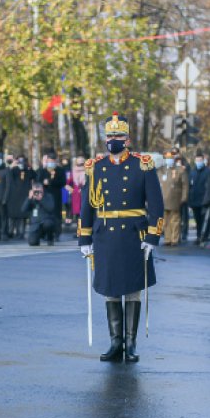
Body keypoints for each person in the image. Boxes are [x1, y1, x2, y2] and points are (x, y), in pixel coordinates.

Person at [78, 112, 163, 363]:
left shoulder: (142, 164)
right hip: (105, 235)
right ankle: (116, 342)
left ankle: (130, 342)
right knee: (110, 288)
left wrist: (152, 236)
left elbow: (156, 204)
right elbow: (86, 205)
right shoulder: (97, 167)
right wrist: (84, 238)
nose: (114, 139)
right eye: (110, 135)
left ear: (128, 138)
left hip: (133, 235)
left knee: (133, 288)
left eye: (119, 135)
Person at [157, 150, 188, 246]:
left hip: (175, 198)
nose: (169, 160)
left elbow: (185, 185)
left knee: (175, 220)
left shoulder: (180, 170)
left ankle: (174, 239)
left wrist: (184, 197)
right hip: (163, 199)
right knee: (165, 221)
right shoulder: (161, 170)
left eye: (170, 158)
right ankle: (167, 239)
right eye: (167, 159)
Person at [38, 153, 66, 238]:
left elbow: (63, 182)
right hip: (45, 196)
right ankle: (45, 233)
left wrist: (51, 182)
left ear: (55, 161)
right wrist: (43, 183)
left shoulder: (60, 170)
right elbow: (38, 181)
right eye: (49, 161)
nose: (51, 163)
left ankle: (57, 233)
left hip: (56, 195)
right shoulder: (43, 171)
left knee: (57, 215)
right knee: (45, 214)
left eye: (52, 161)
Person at [7, 157, 34, 240]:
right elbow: (9, 177)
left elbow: (34, 176)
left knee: (22, 216)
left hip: (24, 195)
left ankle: (21, 233)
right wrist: (11, 167)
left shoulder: (27, 170)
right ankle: (10, 232)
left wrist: (30, 168)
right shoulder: (13, 170)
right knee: (13, 215)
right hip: (14, 196)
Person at [22, 181, 57, 246]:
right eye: (35, 191)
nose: (37, 193)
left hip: (46, 222)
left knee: (48, 224)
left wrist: (41, 199)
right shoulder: (31, 199)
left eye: (39, 191)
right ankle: (38, 238)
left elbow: (51, 208)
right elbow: (23, 210)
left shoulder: (48, 196)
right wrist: (29, 198)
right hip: (35, 225)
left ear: (42, 190)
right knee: (32, 243)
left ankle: (50, 238)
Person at [188, 153, 209, 245]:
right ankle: (198, 236)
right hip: (195, 201)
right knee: (197, 220)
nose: (198, 162)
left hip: (204, 200)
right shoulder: (192, 172)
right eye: (197, 160)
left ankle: (204, 236)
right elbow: (190, 186)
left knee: (204, 219)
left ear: (203, 161)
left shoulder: (208, 172)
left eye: (200, 160)